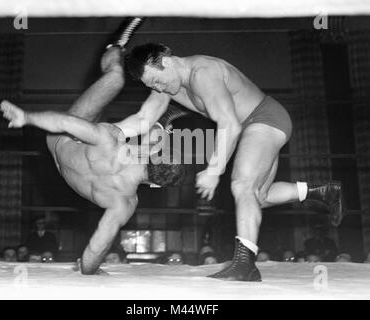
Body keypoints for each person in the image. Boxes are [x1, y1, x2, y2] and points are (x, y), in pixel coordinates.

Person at [117, 43, 345, 281]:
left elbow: (230, 125)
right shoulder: (166, 85)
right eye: (150, 85)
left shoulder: (203, 73)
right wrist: (104, 132)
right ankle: (324, 192)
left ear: (165, 61)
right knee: (258, 198)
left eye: (156, 80)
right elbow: (142, 118)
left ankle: (245, 265)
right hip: (251, 126)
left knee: (241, 185)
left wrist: (214, 171)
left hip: (264, 117)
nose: (157, 87)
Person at [0, 18, 186, 275]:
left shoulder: (112, 143)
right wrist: (89, 271)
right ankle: (163, 93)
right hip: (68, 159)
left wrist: (27, 118)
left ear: (153, 155)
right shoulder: (125, 204)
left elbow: (65, 121)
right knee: (140, 123)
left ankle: (117, 44)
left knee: (115, 79)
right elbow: (97, 246)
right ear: (156, 183)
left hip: (65, 136)